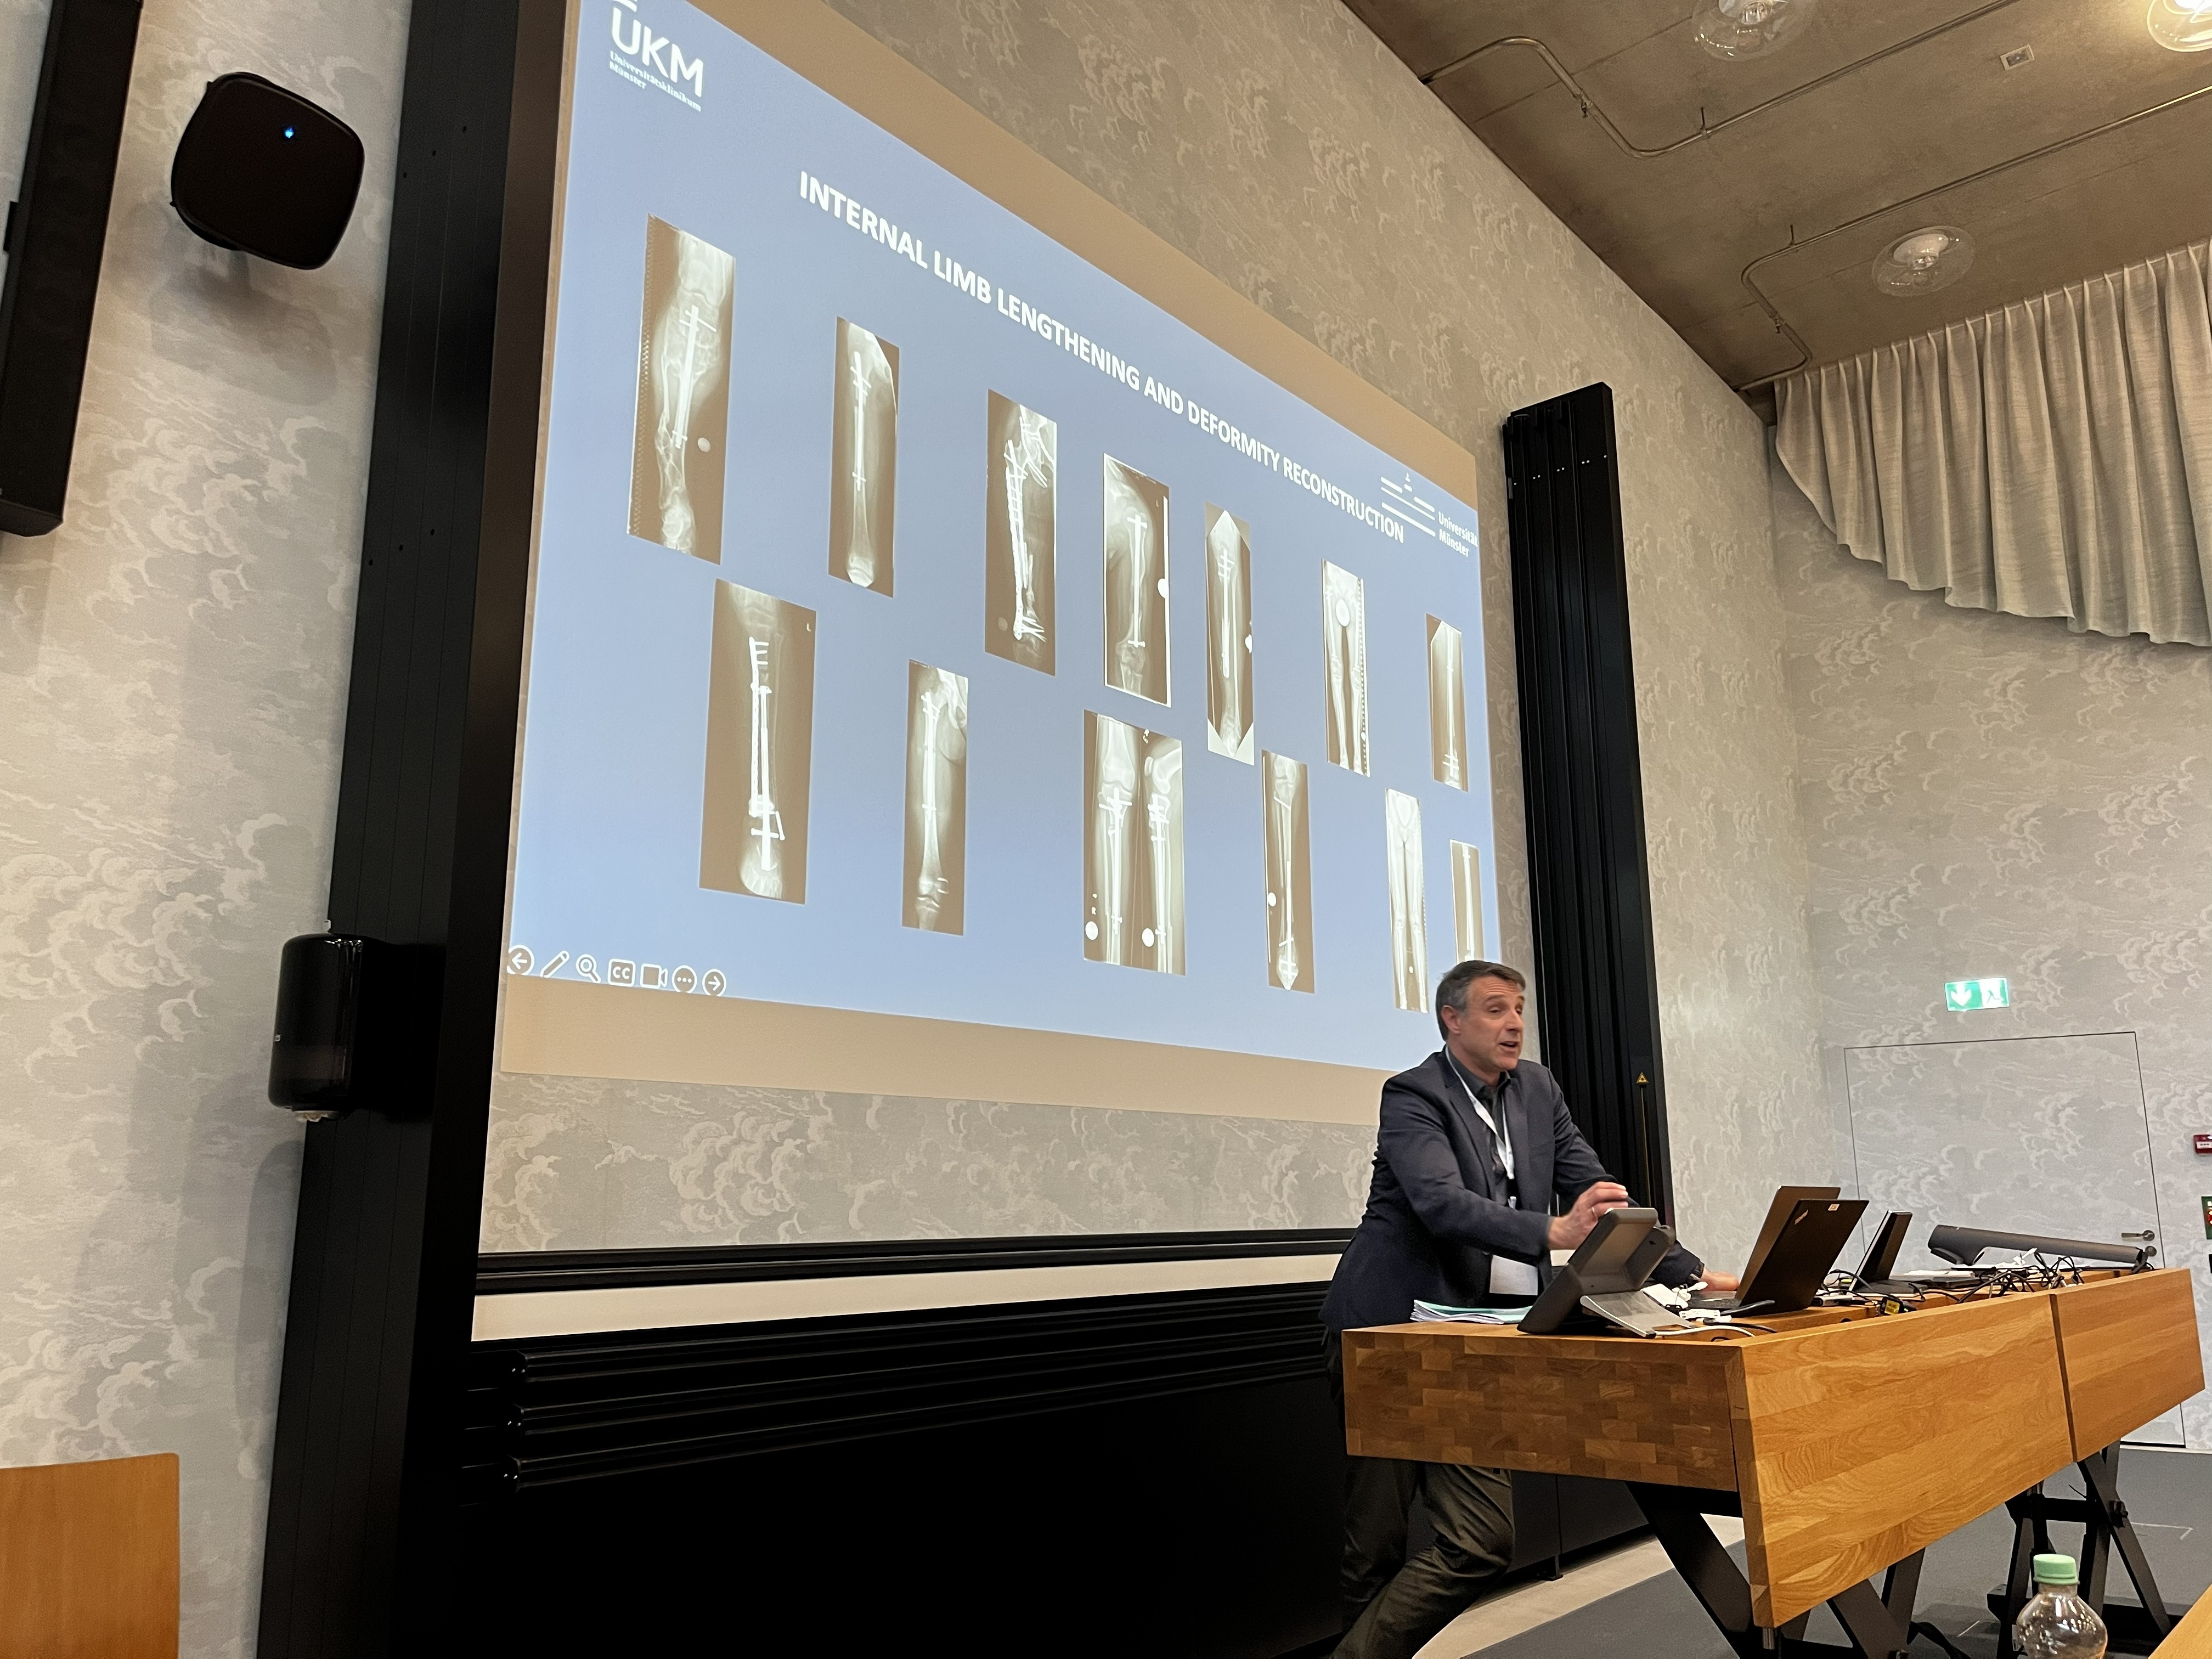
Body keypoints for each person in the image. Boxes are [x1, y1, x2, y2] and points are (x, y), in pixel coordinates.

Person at [1317, 959, 1738, 1659]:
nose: (1514, 1023)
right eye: (1495, 1009)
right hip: (1389, 1333)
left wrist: (1693, 1274)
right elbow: (1442, 1205)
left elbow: (1599, 1194)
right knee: (1378, 1539)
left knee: (1481, 1541)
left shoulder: (1538, 1089)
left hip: (1480, 1337)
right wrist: (1554, 1231)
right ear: (1452, 1021)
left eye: (1518, 1008)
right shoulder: (1414, 1095)